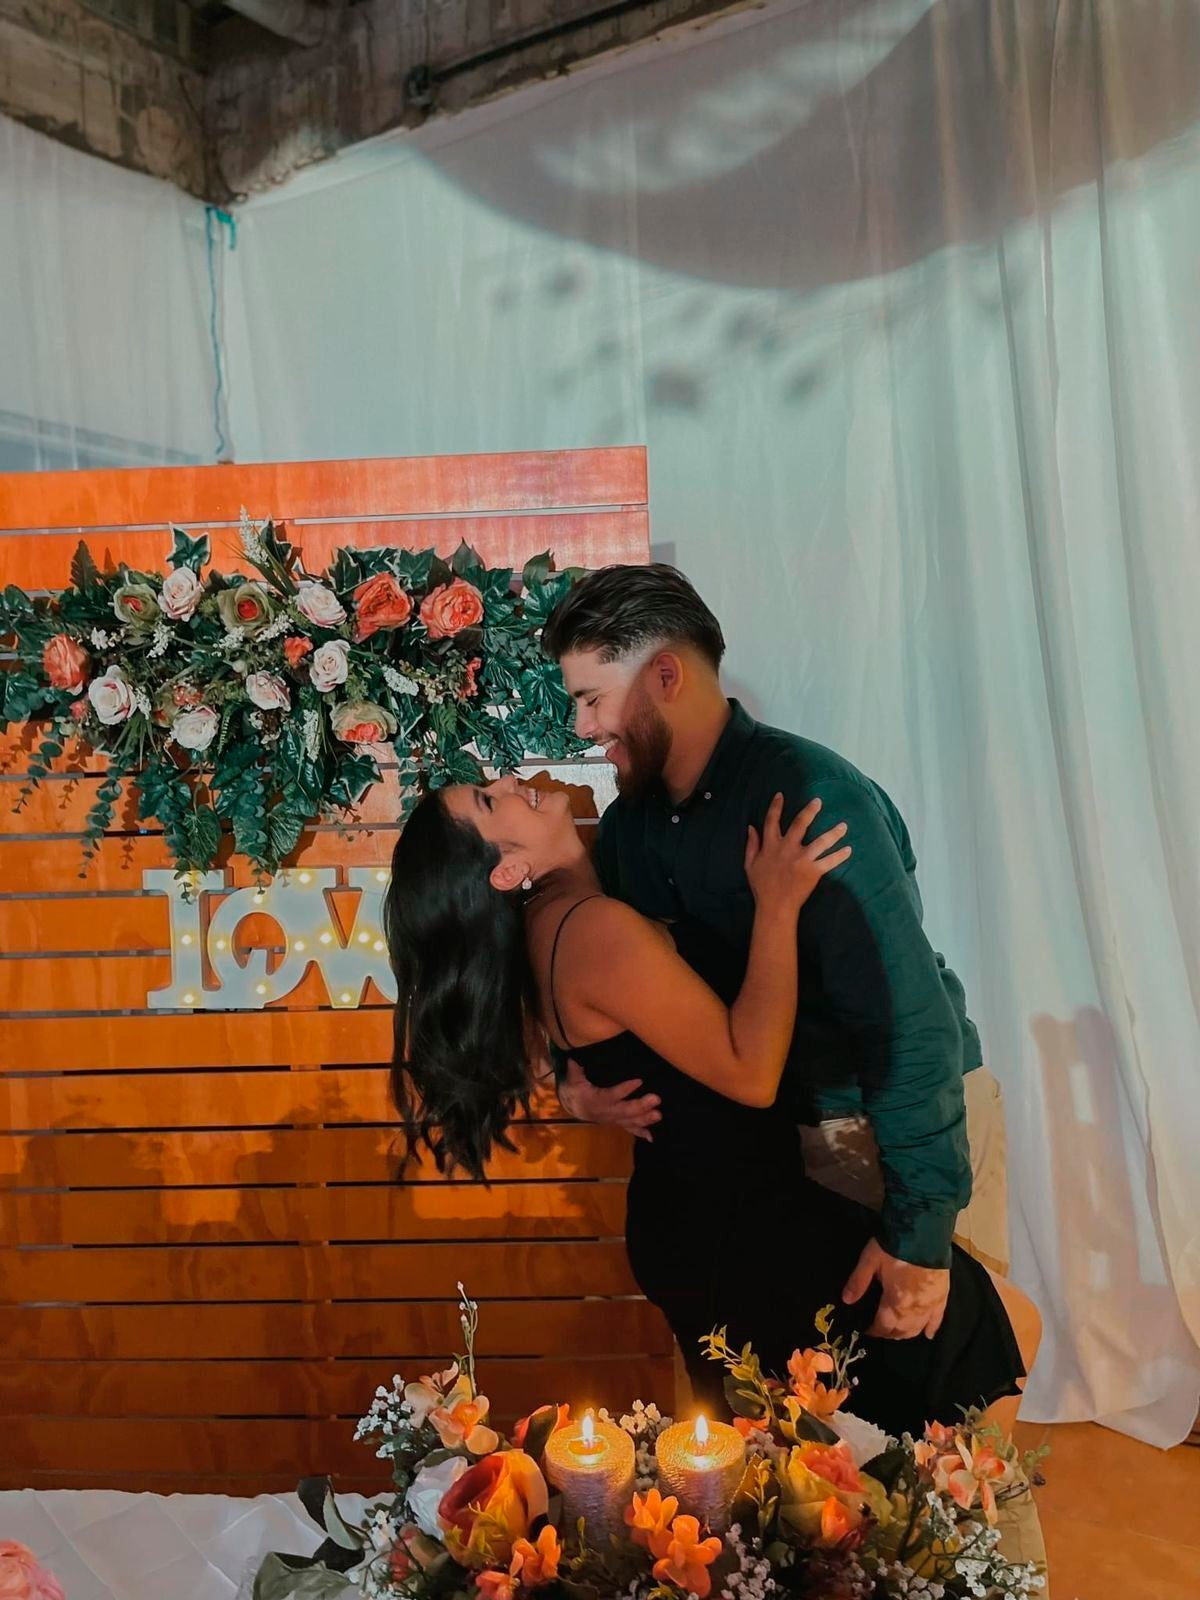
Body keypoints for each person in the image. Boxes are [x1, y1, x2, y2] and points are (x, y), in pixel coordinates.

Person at [384, 772, 1038, 1440]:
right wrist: (778, 905)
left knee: (824, 1445)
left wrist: (572, 1087)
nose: (510, 782)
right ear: (507, 871)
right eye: (489, 803)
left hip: (708, 1211)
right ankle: (968, 1539)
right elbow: (751, 1075)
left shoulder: (564, 917)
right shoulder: (591, 926)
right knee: (993, 1339)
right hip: (737, 1220)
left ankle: (951, 1536)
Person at [543, 564, 1010, 1344]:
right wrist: (574, 1084)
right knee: (815, 1426)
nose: (583, 727)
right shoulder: (631, 830)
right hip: (772, 1156)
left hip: (881, 1134)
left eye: (592, 699)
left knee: (933, 1416)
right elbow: (621, 997)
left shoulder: (811, 797)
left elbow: (904, 1020)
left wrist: (920, 1233)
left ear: (664, 676)